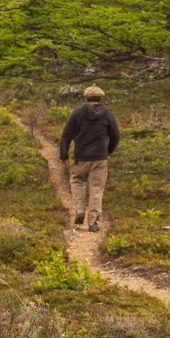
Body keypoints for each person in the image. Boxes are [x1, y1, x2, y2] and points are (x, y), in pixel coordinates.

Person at [58, 84, 119, 232]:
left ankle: (80, 210)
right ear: (101, 97)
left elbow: (66, 136)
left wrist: (63, 155)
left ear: (86, 97)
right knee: (96, 189)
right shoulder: (108, 114)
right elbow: (115, 136)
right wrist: (107, 151)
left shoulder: (77, 113)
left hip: (81, 157)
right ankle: (93, 223)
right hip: (100, 158)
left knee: (77, 182)